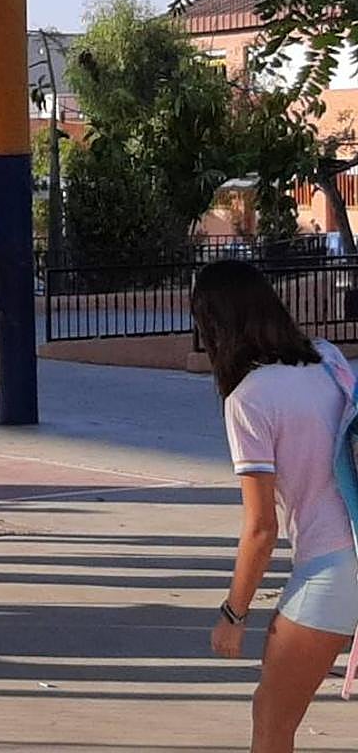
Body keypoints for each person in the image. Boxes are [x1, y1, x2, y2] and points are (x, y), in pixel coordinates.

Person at [193, 260, 358, 753]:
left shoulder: (248, 399)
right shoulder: (328, 359)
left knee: (271, 720)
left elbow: (260, 529)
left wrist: (233, 614)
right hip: (350, 548)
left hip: (331, 567)